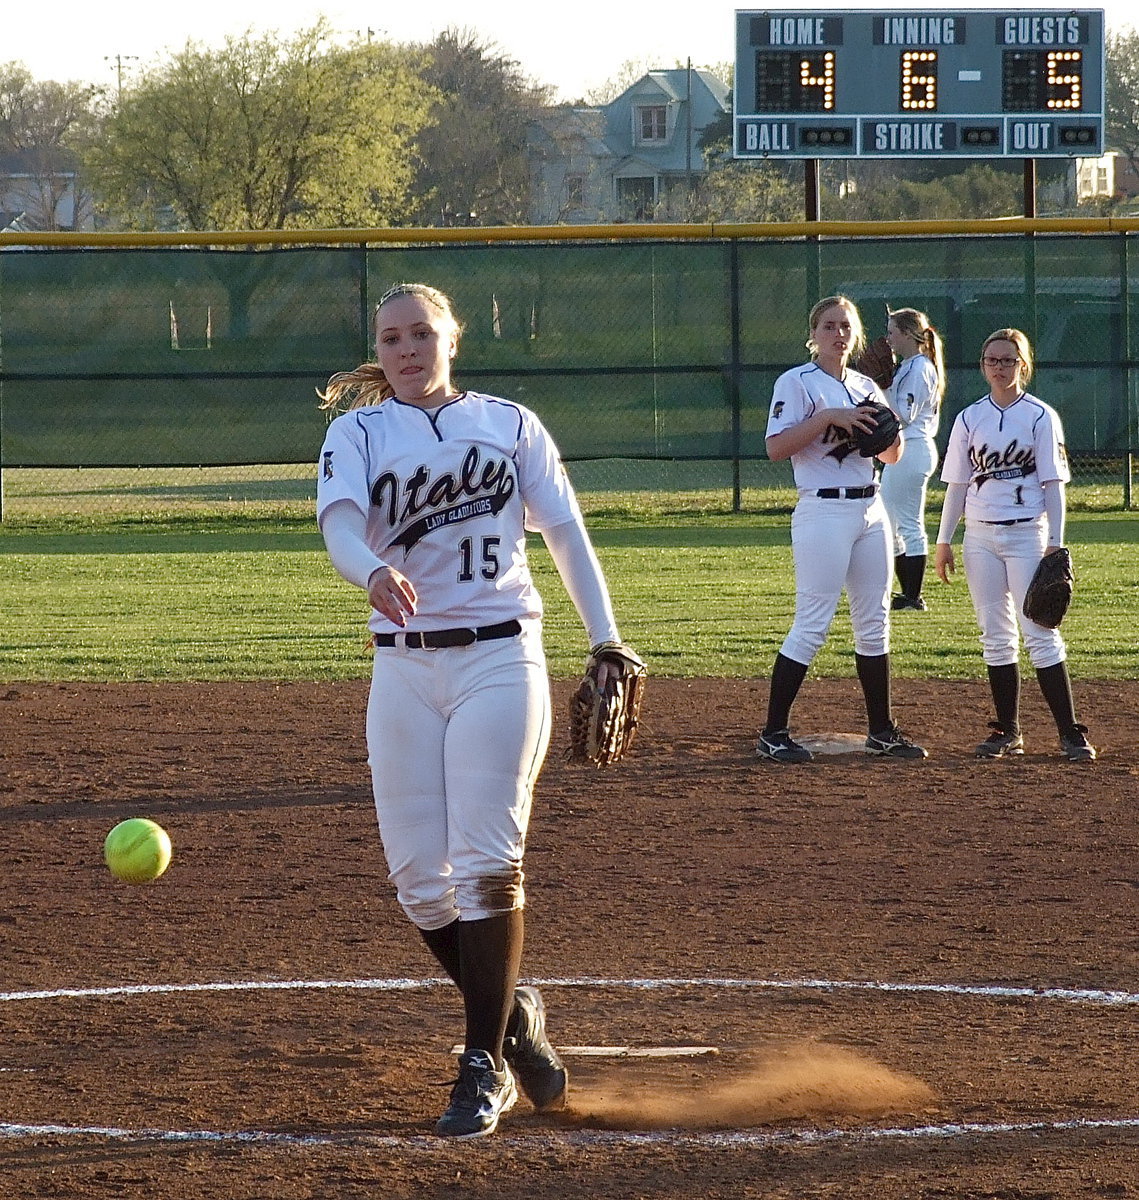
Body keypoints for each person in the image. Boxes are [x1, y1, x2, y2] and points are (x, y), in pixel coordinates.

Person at [315, 282, 637, 1137]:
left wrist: (604, 636)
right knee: (421, 884)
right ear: (377, 353)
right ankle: (515, 1020)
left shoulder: (508, 422)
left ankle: (481, 1065)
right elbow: (341, 528)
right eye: (390, 339)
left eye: (421, 333)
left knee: (486, 862)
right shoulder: (357, 432)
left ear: (451, 337)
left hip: (501, 655)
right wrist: (371, 572)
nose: (407, 350)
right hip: (402, 669)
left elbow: (564, 531)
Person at [757, 294, 927, 765]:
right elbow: (775, 448)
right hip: (822, 512)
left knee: (875, 623)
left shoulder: (866, 385)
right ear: (814, 334)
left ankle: (882, 731)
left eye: (846, 326)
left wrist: (886, 433)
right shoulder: (797, 382)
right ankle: (773, 733)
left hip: (871, 510)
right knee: (813, 623)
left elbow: (892, 457)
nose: (839, 333)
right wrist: (830, 417)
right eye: (829, 325)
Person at [934, 328, 1096, 762]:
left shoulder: (1041, 417)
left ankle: (1070, 732)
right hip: (981, 537)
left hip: (1028, 533)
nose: (1000, 367)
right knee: (996, 636)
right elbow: (956, 485)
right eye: (993, 360)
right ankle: (1007, 730)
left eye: (1009, 360)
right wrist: (944, 539)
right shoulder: (969, 418)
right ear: (983, 366)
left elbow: (1053, 484)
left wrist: (1055, 543)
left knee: (1041, 632)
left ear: (1023, 365)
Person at [880, 306, 946, 612]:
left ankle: (913, 596)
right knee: (892, 523)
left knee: (906, 523)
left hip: (912, 447)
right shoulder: (909, 365)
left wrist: (882, 388)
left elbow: (904, 415)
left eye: (893, 331)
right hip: (907, 449)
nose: (888, 338)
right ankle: (907, 594)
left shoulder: (919, 367)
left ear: (908, 334)